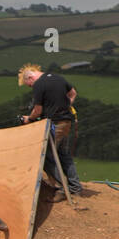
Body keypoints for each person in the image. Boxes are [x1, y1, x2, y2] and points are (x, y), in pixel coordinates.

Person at [18, 64, 83, 196]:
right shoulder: (58, 77)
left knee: (46, 156)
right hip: (66, 122)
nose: (30, 87)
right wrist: (65, 106)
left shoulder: (39, 85)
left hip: (55, 124)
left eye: (28, 84)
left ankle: (62, 188)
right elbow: (73, 93)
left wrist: (28, 119)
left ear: (30, 77)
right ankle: (75, 187)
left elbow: (37, 110)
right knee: (63, 155)